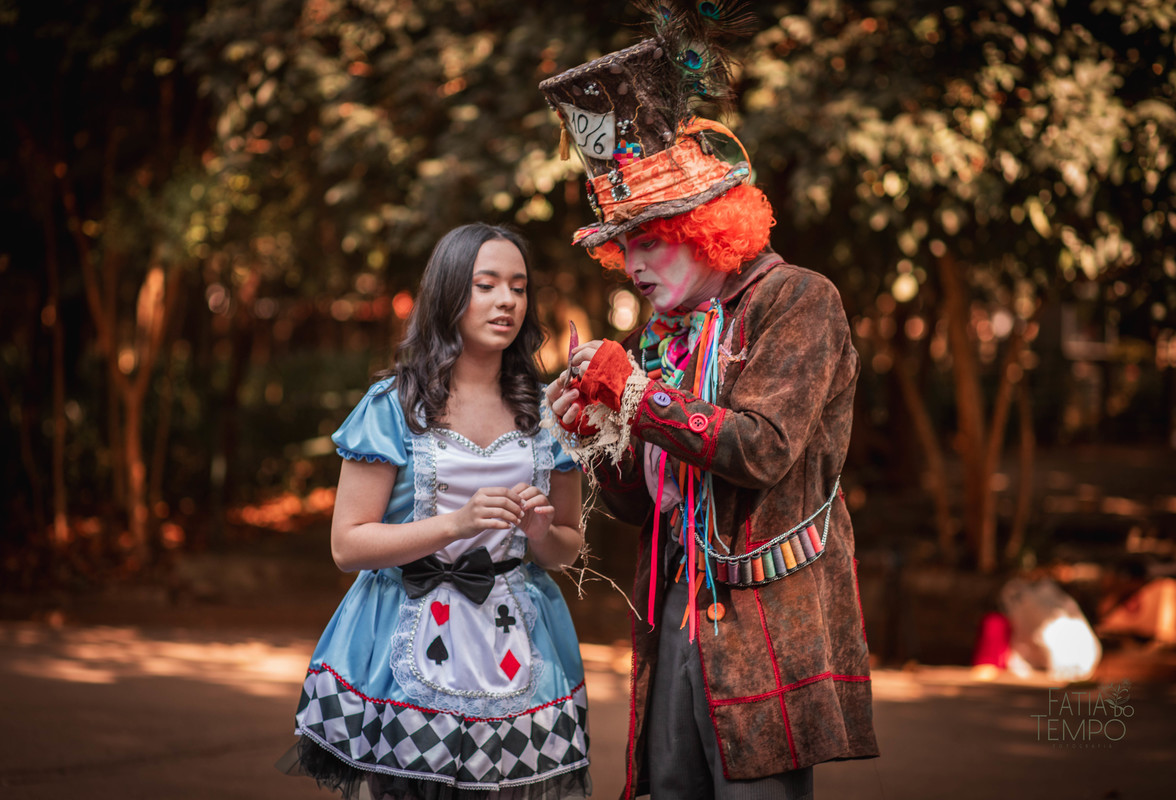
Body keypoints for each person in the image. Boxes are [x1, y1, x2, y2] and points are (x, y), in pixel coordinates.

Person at [537, 7, 878, 799]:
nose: (633, 266)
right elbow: (638, 507)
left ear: (708, 228)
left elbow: (761, 447)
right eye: (627, 249)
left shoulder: (799, 299)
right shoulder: (664, 333)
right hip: (674, 620)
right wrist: (603, 436)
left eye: (650, 240)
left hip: (766, 626)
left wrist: (635, 396)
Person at [281, 223, 592, 800]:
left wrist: (540, 534)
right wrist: (457, 523)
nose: (507, 301)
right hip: (401, 644)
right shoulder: (394, 405)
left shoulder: (549, 414)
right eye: (486, 285)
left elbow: (567, 547)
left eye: (519, 288)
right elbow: (347, 546)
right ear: (450, 294)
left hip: (521, 646)